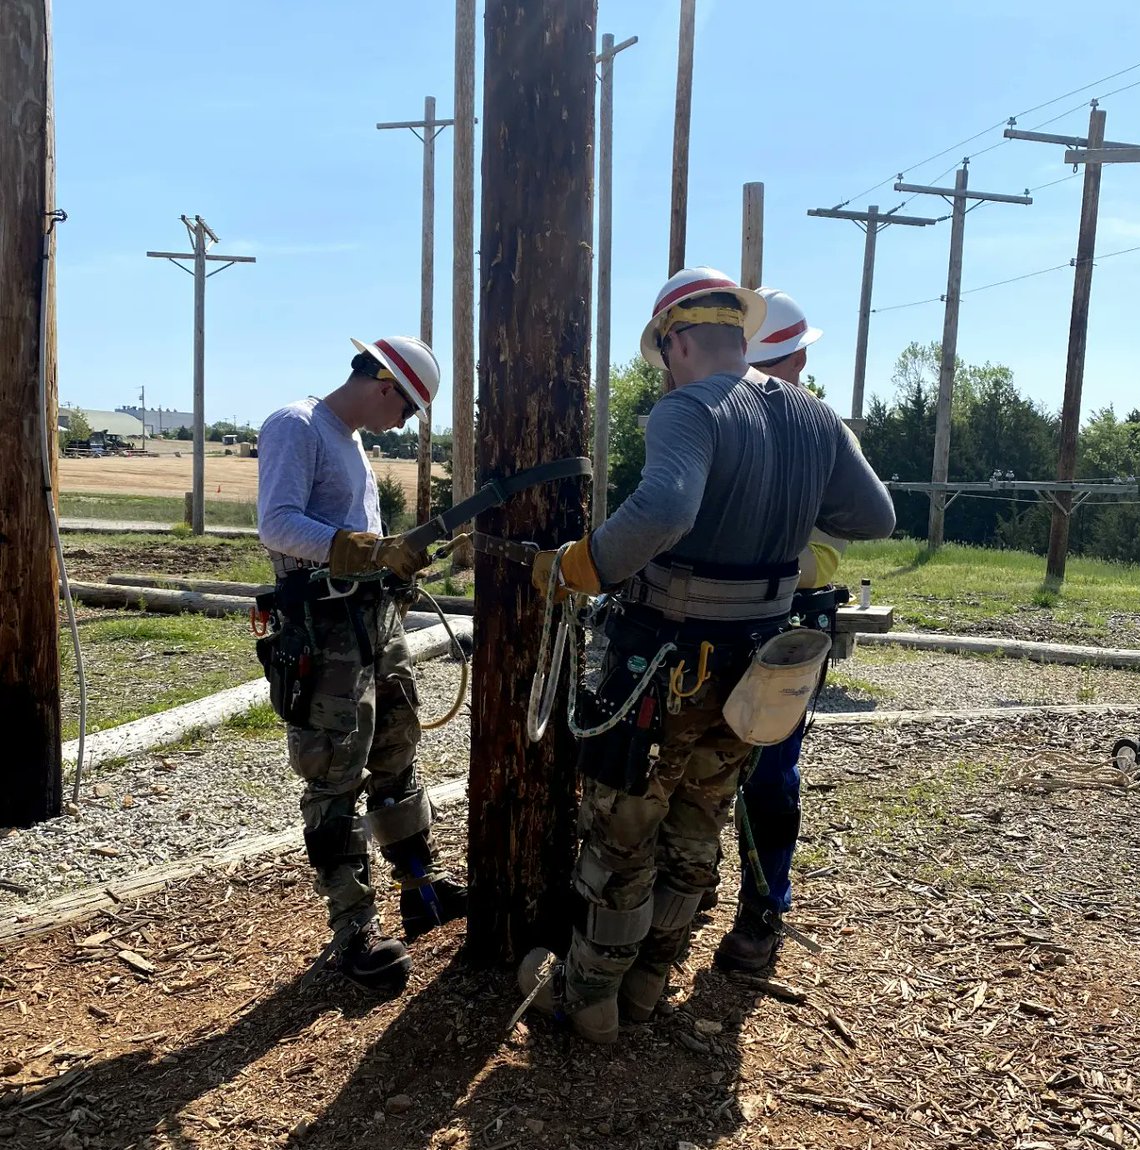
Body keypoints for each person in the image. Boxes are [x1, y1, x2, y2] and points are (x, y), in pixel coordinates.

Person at [518, 267, 896, 1042]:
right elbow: (873, 513)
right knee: (698, 823)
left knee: (624, 828)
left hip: (664, 663)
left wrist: (577, 566)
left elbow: (664, 508)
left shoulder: (687, 409)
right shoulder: (814, 417)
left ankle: (590, 998)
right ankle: (650, 987)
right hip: (754, 667)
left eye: (664, 357)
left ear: (677, 342)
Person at [256, 335, 468, 993]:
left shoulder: (349, 444)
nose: (402, 423)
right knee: (334, 775)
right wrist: (371, 551)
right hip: (323, 632)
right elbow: (278, 524)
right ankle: (353, 929)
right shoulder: (297, 425)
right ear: (383, 384)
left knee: (398, 751)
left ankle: (418, 889)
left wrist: (394, 563)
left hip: (372, 624)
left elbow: (360, 544)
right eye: (404, 408)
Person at [712, 286, 847, 974]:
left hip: (774, 623)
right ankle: (697, 889)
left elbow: (831, 545)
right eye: (797, 357)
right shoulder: (735, 419)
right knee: (707, 764)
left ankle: (762, 908)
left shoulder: (808, 429)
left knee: (765, 770)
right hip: (729, 620)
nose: (802, 370)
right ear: (784, 358)